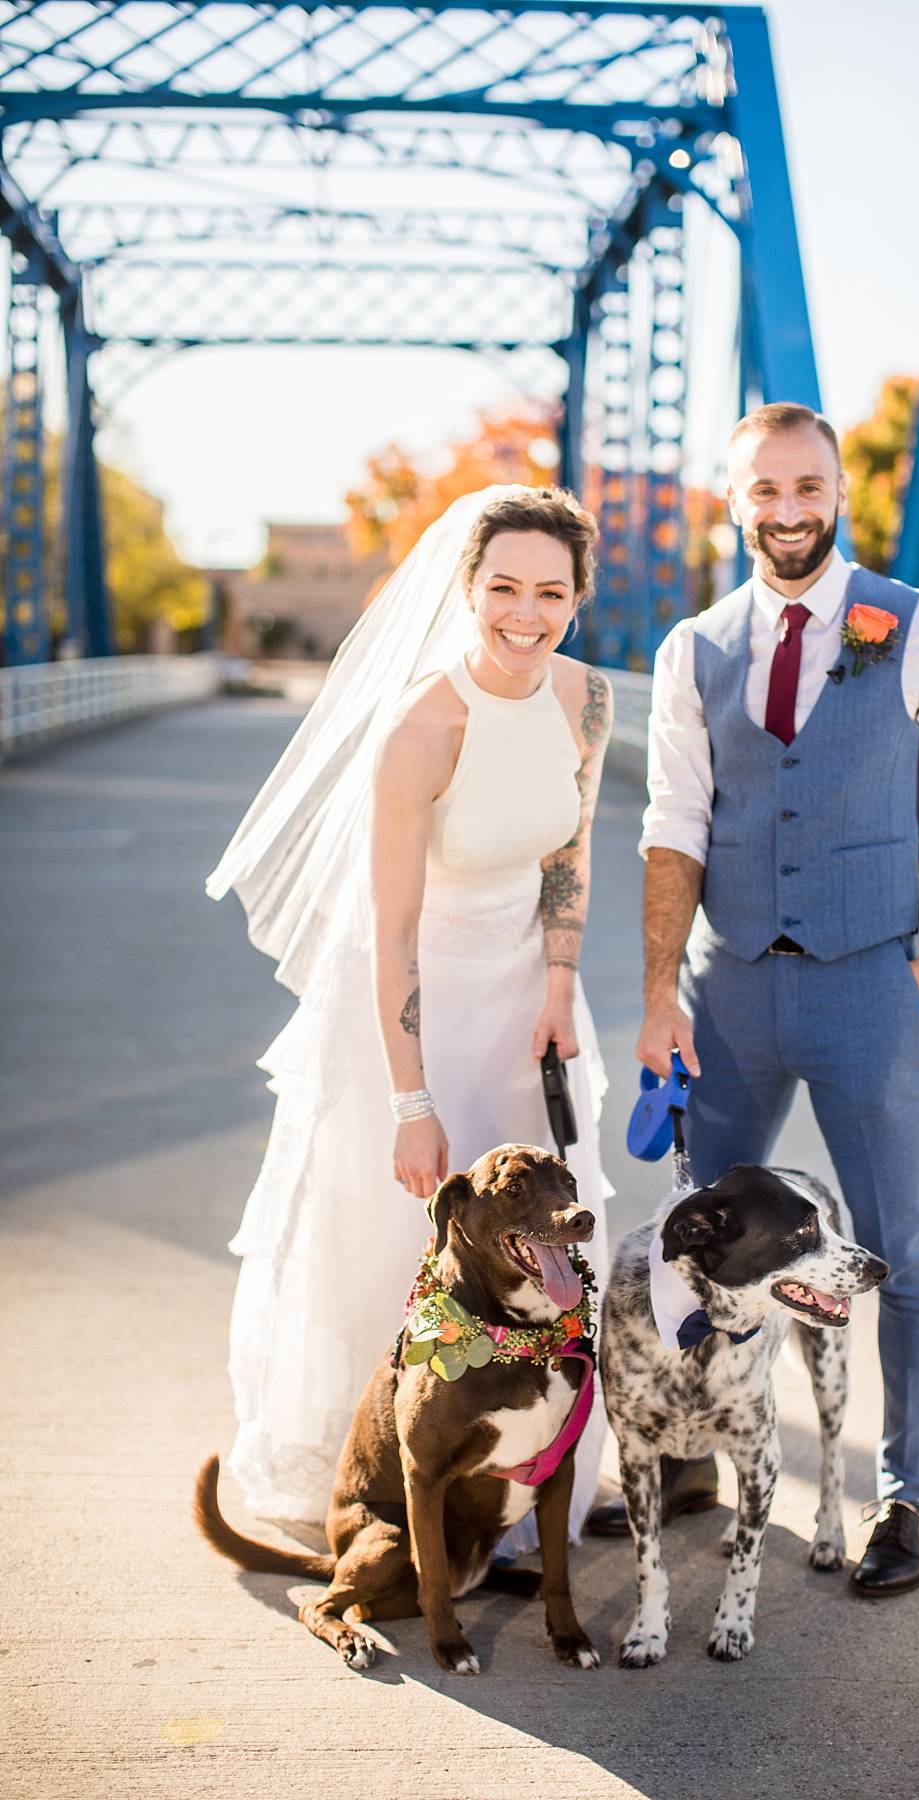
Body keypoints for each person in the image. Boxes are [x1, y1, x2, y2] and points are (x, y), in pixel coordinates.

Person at [587, 404, 919, 1596]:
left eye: (807, 487)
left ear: (838, 493)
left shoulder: (917, 627)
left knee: (901, 1250)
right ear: (735, 501)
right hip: (726, 996)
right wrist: (662, 991)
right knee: (691, 1244)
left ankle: (908, 1501)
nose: (787, 510)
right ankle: (681, 1465)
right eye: (763, 490)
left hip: (873, 980)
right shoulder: (695, 646)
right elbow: (672, 827)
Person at [207, 485, 614, 1547]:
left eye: (550, 593)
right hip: (416, 1008)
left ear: (578, 596)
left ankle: (517, 1487)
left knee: (541, 1246)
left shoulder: (588, 697)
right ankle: (388, 1487)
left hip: (527, 994)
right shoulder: (422, 726)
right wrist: (412, 1100)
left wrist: (561, 982)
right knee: (399, 1246)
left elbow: (569, 852)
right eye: (504, 589)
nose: (526, 614)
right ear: (468, 589)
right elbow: (388, 936)